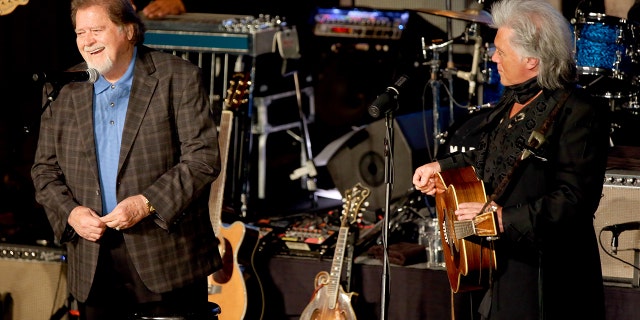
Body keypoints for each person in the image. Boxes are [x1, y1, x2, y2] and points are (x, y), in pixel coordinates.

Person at [412, 0, 609, 319]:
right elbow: (492, 154)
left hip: (546, 277)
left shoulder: (579, 112)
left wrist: (501, 219)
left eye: (500, 51)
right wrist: (443, 170)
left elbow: (573, 201)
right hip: (497, 267)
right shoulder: (511, 101)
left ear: (532, 59)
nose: (492, 57)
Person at [30, 0, 222, 319]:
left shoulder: (179, 77)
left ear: (129, 30)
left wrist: (145, 204)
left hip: (166, 254)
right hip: (92, 260)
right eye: (80, 32)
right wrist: (71, 214)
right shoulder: (62, 89)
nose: (87, 40)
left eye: (96, 30)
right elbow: (44, 172)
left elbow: (203, 158)